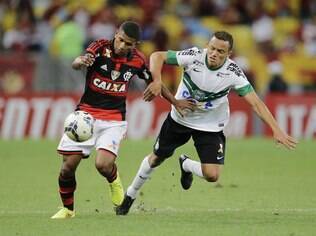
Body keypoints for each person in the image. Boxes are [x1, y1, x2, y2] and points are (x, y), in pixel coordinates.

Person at [115, 31, 298, 215]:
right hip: (181, 117)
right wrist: (157, 81)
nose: (214, 54)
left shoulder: (233, 73)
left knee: (212, 175)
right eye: (212, 48)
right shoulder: (194, 56)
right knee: (156, 158)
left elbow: (256, 103)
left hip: (210, 125)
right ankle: (130, 195)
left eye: (220, 51)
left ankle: (186, 164)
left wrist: (276, 130)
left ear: (229, 54)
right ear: (207, 46)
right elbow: (157, 56)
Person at [51, 21, 162, 219]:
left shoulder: (137, 60)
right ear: (116, 34)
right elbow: (80, 61)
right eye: (120, 40)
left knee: (103, 165)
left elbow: (153, 80)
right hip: (85, 116)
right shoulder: (99, 47)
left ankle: (114, 181)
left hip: (114, 119)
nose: (122, 46)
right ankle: (68, 210)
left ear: (135, 44)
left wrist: (163, 91)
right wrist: (79, 62)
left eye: (128, 44)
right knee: (68, 167)